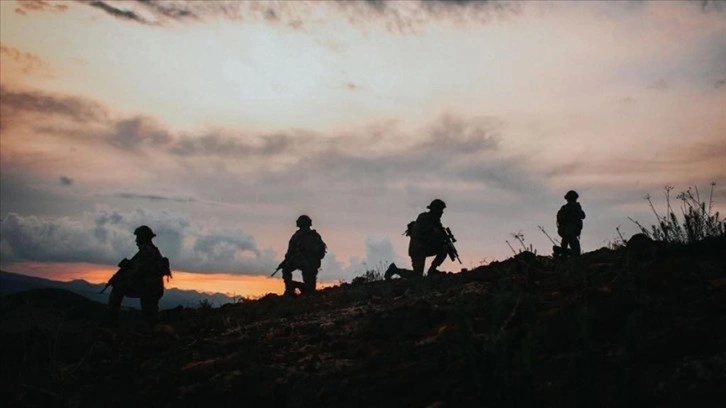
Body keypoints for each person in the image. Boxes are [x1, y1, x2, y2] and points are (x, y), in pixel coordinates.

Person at [107, 225, 170, 323]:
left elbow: (137, 273)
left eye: (137, 237)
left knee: (117, 289)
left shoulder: (147, 251)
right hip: (152, 289)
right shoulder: (150, 250)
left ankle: (111, 321)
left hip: (149, 289)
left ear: (142, 238)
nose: (136, 241)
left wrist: (120, 278)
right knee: (150, 316)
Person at [386, 199, 449, 279]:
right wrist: (439, 234)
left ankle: (432, 270)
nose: (441, 213)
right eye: (440, 210)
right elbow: (430, 232)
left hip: (425, 247)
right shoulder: (423, 217)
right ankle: (395, 270)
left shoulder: (436, 221)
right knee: (417, 276)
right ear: (435, 209)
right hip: (417, 249)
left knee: (444, 248)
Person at [278, 215, 327, 296]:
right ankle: (300, 289)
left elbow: (290, 252)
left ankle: (290, 289)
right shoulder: (315, 235)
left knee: (286, 269)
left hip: (301, 262)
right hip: (313, 264)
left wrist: (287, 261)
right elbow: (322, 251)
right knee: (310, 289)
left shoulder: (297, 236)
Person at [556, 190, 586, 256]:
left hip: (566, 231)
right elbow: (583, 216)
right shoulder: (573, 208)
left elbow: (583, 216)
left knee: (566, 245)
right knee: (575, 250)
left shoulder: (565, 208)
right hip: (570, 231)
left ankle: (564, 255)